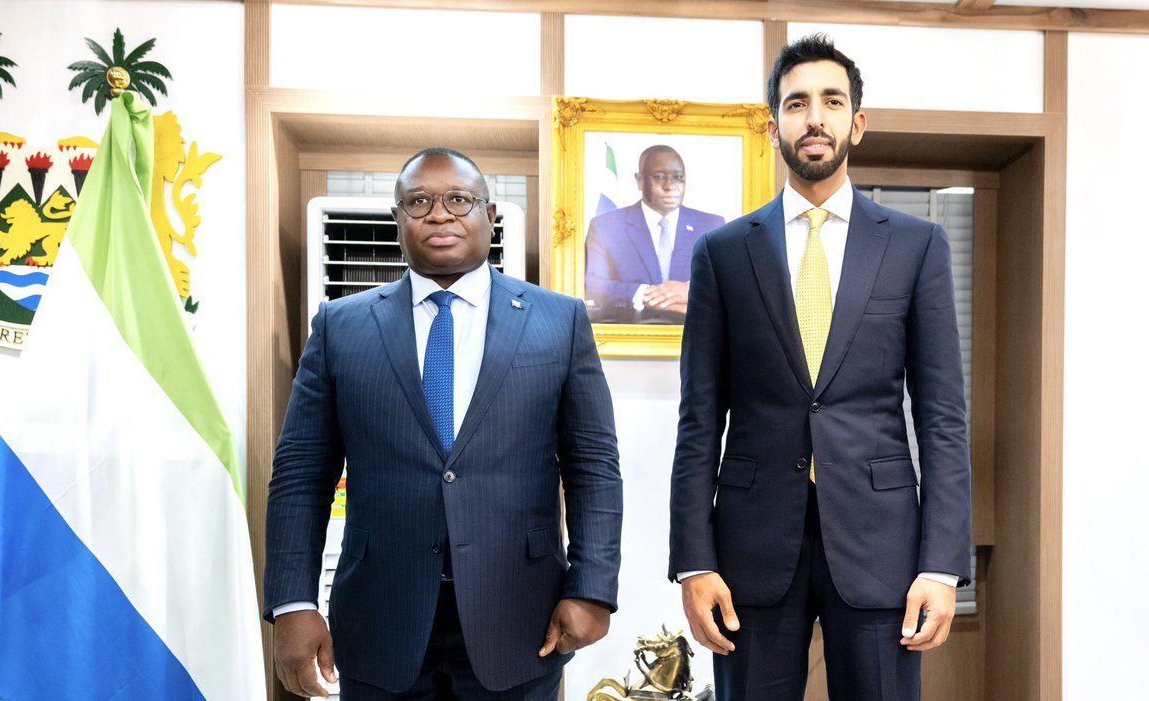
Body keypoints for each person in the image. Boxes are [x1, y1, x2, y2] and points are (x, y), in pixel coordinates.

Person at [668, 34, 971, 700]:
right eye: (797, 102)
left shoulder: (917, 245)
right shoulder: (722, 252)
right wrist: (694, 560)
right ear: (772, 124)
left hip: (881, 542)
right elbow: (698, 420)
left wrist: (943, 565)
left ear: (856, 123)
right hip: (749, 548)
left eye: (832, 101)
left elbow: (943, 414)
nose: (815, 117)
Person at [264, 148, 623, 700]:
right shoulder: (341, 326)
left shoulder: (559, 320)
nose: (439, 214)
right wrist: (293, 603)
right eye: (419, 202)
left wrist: (593, 587)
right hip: (379, 620)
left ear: (490, 214)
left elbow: (593, 466)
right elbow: (299, 475)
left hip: (522, 618)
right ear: (397, 219)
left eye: (458, 199)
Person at [584, 145, 725, 324]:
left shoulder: (712, 225)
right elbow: (591, 284)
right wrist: (643, 294)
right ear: (639, 180)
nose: (670, 186)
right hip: (627, 338)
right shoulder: (605, 226)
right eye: (659, 177)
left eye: (678, 178)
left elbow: (729, 285)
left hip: (694, 338)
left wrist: (692, 291)